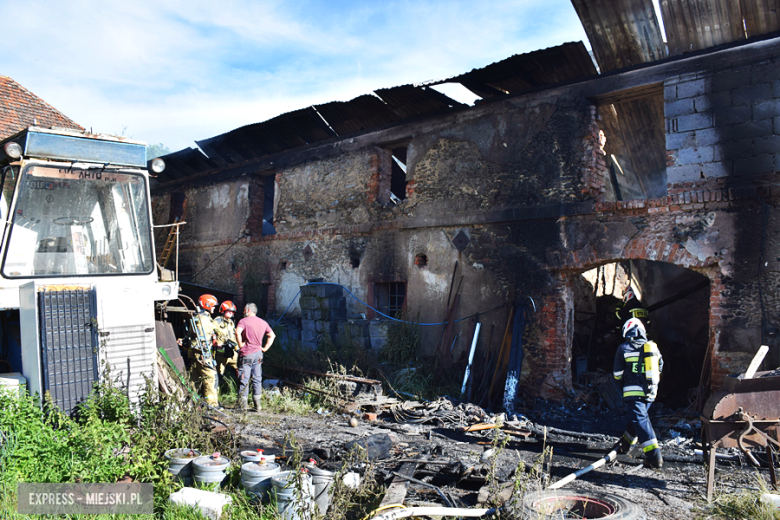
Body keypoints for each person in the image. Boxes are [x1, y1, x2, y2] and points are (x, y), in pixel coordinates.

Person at [613, 317, 664, 469]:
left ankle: (654, 456)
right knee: (637, 419)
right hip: (650, 392)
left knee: (640, 421)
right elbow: (660, 366)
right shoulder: (652, 348)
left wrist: (625, 384)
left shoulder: (623, 348)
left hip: (632, 393)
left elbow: (617, 374)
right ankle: (625, 445)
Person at [235, 302, 275, 412]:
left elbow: (237, 332)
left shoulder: (243, 321)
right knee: (257, 379)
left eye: (244, 310)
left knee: (244, 379)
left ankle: (243, 406)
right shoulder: (263, 322)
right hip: (258, 354)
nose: (243, 312)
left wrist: (240, 345)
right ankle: (258, 406)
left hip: (247, 353)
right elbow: (272, 335)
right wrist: (265, 348)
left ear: (248, 310)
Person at [185, 294, 220, 407]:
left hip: (194, 353)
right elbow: (204, 337)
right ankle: (212, 405)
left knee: (194, 378)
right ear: (207, 304)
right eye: (213, 306)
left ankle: (192, 402)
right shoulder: (204, 320)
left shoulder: (197, 317)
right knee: (210, 377)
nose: (214, 308)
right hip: (202, 353)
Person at [213, 300, 239, 386]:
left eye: (233, 312)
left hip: (230, 352)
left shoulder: (231, 323)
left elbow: (233, 337)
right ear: (223, 310)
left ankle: (240, 387)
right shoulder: (217, 321)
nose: (231, 313)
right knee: (218, 374)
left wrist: (238, 349)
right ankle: (217, 392)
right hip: (220, 353)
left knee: (240, 365)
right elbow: (211, 333)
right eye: (229, 311)